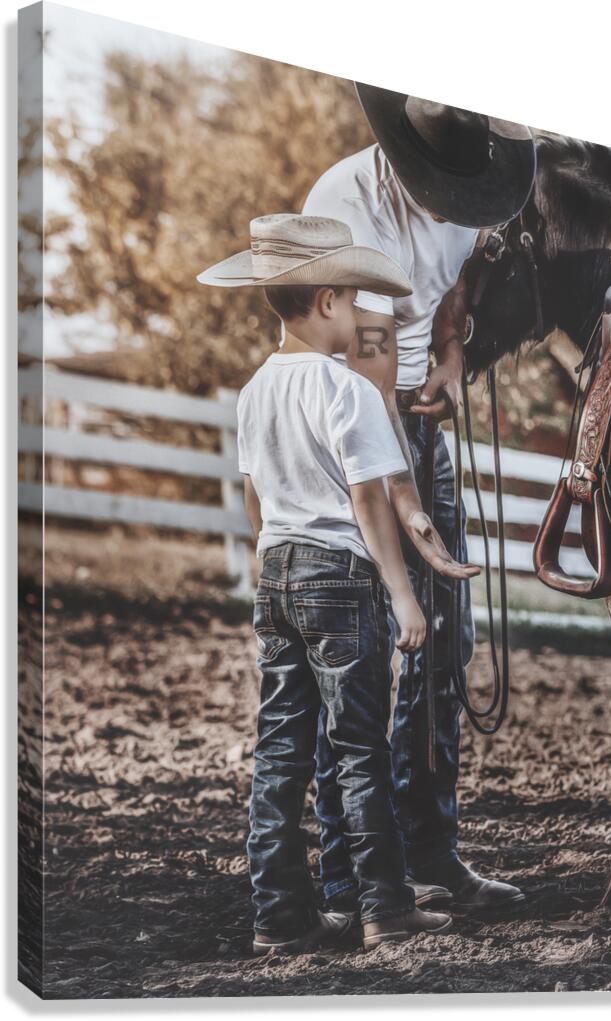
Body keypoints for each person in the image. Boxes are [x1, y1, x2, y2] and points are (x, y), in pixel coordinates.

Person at [302, 86, 537, 916]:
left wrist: (447, 357)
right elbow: (363, 368)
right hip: (349, 434)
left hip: (415, 419)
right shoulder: (346, 205)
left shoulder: (472, 186)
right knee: (360, 648)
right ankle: (351, 873)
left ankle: (430, 848)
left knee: (443, 637)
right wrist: (402, 495)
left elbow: (453, 284)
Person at [197, 212, 454, 954]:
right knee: (358, 747)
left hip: (276, 573)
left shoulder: (254, 392)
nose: (357, 319)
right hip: (339, 579)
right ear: (329, 301)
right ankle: (383, 904)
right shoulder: (347, 393)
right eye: (352, 300)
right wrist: (402, 593)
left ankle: (278, 914)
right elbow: (369, 500)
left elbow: (254, 496)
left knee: (281, 747)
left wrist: (265, 563)